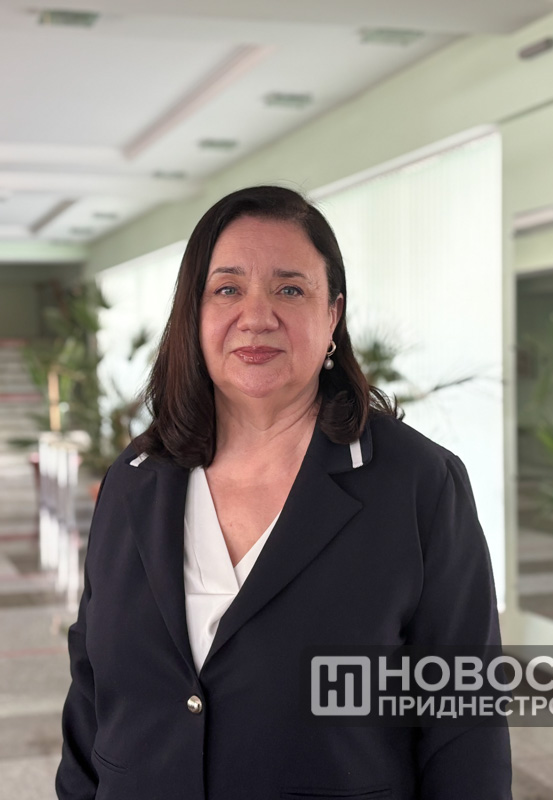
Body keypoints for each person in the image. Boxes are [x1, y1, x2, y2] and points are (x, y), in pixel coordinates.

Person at [56, 185, 511, 799]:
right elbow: (91, 691)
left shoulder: (418, 485)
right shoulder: (135, 479)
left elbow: (466, 726)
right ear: (194, 313)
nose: (256, 316)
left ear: (333, 315)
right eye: (228, 289)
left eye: (290, 290)